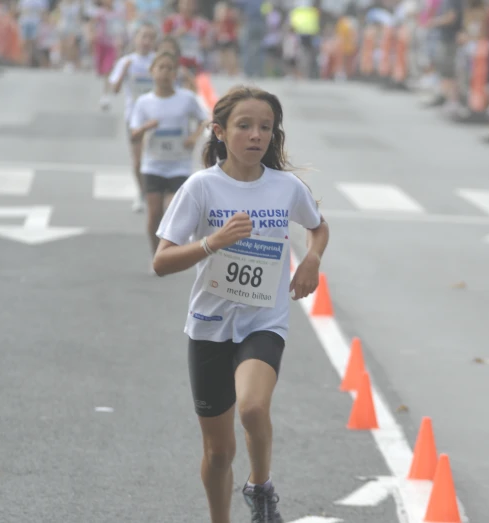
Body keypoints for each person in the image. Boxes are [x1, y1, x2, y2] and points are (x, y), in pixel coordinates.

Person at [152, 85, 330, 523]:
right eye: (245, 126)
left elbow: (319, 227)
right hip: (209, 325)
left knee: (252, 407)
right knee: (218, 452)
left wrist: (311, 259)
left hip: (263, 320)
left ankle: (261, 486)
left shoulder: (286, 188)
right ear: (219, 132)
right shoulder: (201, 188)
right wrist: (212, 243)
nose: (256, 136)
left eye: (265, 128)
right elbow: (160, 261)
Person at [130, 51, 209, 263]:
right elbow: (134, 135)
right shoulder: (144, 102)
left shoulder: (187, 98)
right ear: (152, 71)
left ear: (176, 73)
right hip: (153, 165)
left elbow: (204, 121)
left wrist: (193, 137)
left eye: (170, 68)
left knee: (171, 209)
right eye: (161, 68)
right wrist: (146, 127)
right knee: (154, 213)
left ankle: (169, 253)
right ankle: (156, 255)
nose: (165, 73)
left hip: (179, 165)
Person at [110, 22, 157, 212]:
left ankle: (155, 193)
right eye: (142, 37)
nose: (146, 41)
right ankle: (141, 193)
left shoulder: (158, 61)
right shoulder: (127, 61)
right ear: (136, 39)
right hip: (134, 117)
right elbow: (115, 89)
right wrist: (123, 70)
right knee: (137, 160)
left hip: (156, 117)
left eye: (150, 37)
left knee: (152, 158)